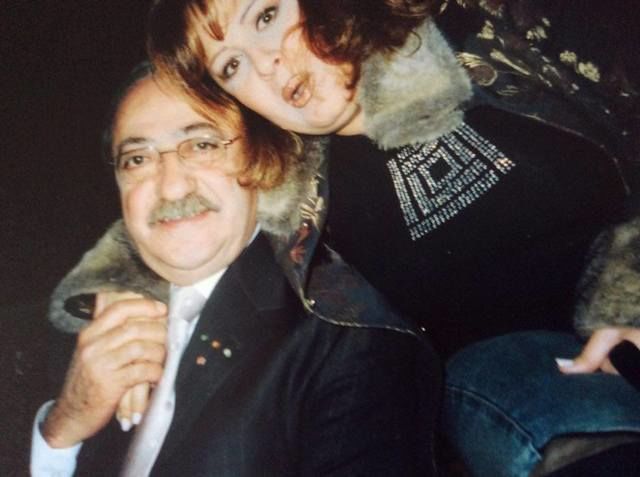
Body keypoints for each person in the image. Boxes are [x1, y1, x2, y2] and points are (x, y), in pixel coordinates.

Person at [50, 0, 640, 475]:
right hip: (511, 385)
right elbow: (173, 213)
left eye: (266, 16)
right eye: (231, 67)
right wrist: (124, 293)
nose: (267, 66)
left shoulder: (485, 31)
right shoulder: (291, 178)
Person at [33, 63, 441, 476]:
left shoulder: (345, 342)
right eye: (137, 159)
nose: (171, 186)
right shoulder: (88, 346)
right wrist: (61, 432)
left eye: (202, 145)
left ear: (264, 160)